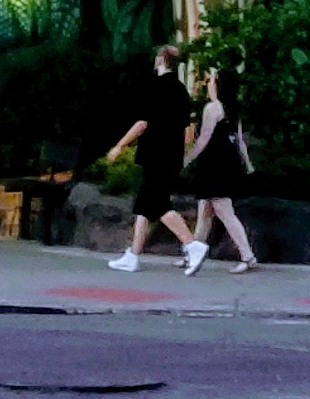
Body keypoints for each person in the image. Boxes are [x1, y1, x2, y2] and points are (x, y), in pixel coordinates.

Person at [99, 42, 198, 275]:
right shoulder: (181, 90)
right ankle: (133, 255)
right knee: (146, 203)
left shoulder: (156, 87)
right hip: (171, 155)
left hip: (155, 153)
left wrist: (119, 146)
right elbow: (188, 129)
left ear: (161, 60)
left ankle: (191, 244)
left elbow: (143, 122)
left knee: (157, 202)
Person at [176, 61, 261, 276]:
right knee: (205, 211)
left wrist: (187, 159)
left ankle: (247, 256)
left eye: (213, 80)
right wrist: (248, 164)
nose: (209, 82)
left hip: (213, 164)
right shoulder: (232, 108)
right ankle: (192, 253)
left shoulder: (212, 108)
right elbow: (240, 140)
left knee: (224, 211)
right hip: (228, 162)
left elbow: (204, 138)